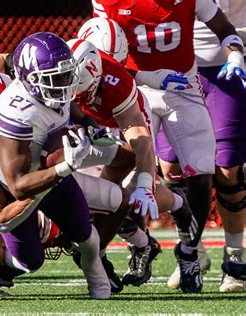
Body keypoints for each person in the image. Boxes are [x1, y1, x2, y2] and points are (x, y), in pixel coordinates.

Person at [93, 0, 244, 293]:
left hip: (183, 89)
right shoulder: (109, 3)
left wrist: (236, 54)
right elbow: (101, 56)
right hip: (134, 92)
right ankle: (135, 243)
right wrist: (147, 77)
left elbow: (224, 28)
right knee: (123, 176)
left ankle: (190, 253)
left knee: (202, 172)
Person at [0, 32, 110, 299]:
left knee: (85, 236)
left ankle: (96, 273)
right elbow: (18, 186)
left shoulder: (53, 88)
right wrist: (65, 167)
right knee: (30, 262)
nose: (65, 84)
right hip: (20, 184)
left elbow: (71, 108)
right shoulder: (17, 112)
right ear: (30, 80)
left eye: (66, 75)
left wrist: (92, 127)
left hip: (53, 176)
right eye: (56, 78)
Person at [67, 38, 196, 288]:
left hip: (122, 123)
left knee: (128, 194)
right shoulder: (57, 67)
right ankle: (140, 243)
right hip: (89, 127)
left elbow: (140, 140)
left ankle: (177, 202)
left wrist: (146, 183)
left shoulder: (116, 83)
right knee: (93, 199)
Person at [160, 0, 246, 292]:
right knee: (171, 169)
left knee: (228, 170)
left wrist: (238, 53)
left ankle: (235, 260)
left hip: (229, 65)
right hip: (175, 69)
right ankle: (192, 250)